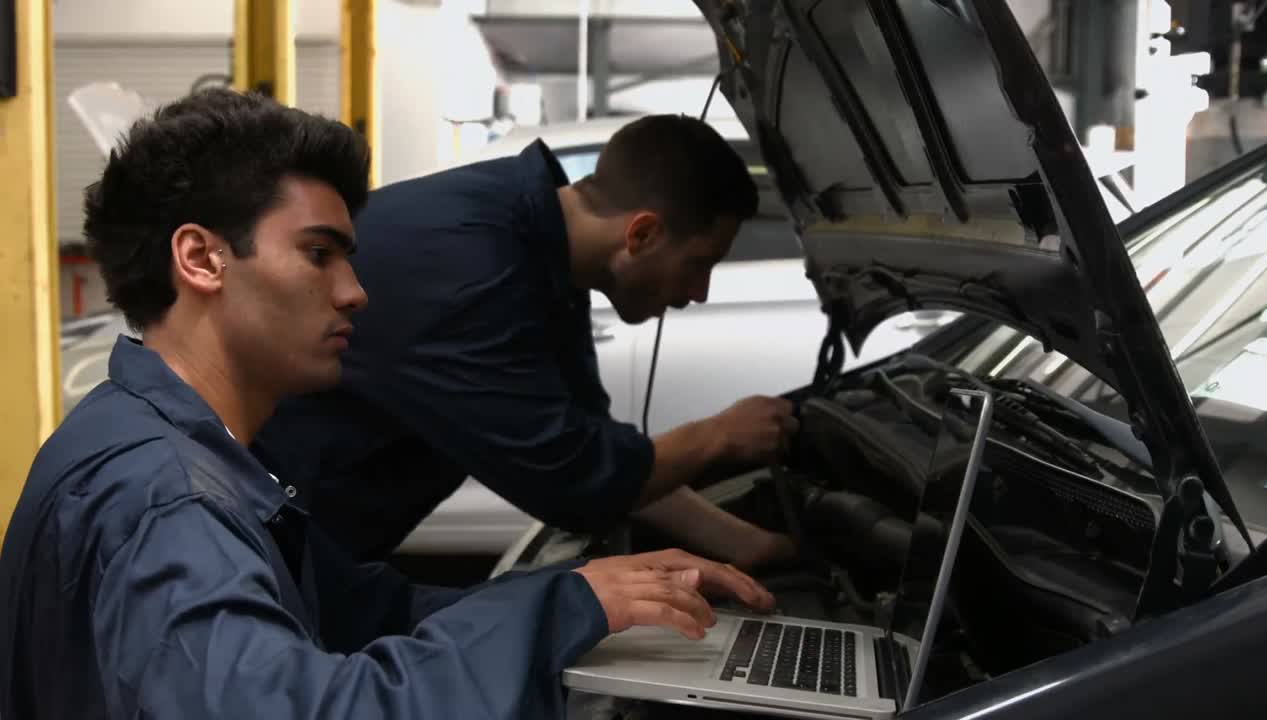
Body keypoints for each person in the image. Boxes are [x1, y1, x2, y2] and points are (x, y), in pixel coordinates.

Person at [0, 88, 776, 720]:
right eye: (317, 255)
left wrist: (587, 600)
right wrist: (563, 611)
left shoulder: (173, 444)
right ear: (202, 258)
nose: (356, 292)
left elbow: (373, 608)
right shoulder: (168, 503)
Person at [253, 113, 800, 568]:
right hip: (252, 535)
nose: (698, 292)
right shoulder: (479, 276)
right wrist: (720, 435)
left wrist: (749, 547)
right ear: (642, 234)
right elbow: (579, 482)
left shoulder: (537, 245)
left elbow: (599, 449)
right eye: (698, 264)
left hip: (312, 537)